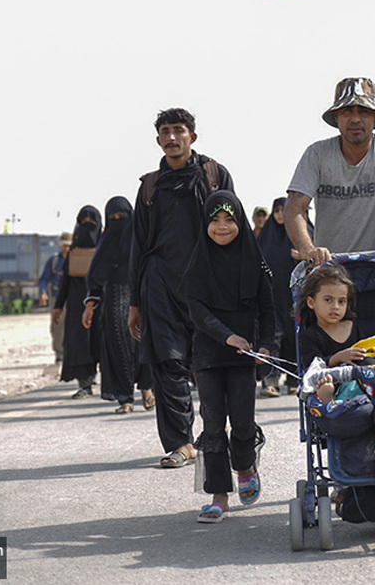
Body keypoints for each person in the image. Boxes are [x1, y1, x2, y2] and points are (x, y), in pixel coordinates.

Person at [129, 107, 234, 468]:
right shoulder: (149, 186)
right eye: (165, 131)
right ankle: (181, 443)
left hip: (209, 285)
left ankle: (216, 435)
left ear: (192, 136)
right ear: (158, 139)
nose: (172, 137)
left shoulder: (214, 176)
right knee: (167, 363)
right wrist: (134, 302)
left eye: (178, 130)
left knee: (213, 362)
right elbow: (138, 246)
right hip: (159, 284)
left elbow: (234, 234)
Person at [185, 190, 276, 523]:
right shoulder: (197, 263)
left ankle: (246, 464)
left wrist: (264, 346)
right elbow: (197, 311)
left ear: (239, 221)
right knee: (212, 426)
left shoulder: (255, 262)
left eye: (229, 220)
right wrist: (227, 336)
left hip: (244, 356)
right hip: (209, 355)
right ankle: (218, 495)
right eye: (215, 220)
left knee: (240, 423)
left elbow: (268, 310)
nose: (222, 227)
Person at [283, 77, 375, 267]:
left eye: (364, 111)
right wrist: (308, 250)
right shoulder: (317, 154)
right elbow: (294, 206)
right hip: (331, 271)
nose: (356, 119)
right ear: (336, 117)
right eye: (347, 111)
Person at [83, 196, 153, 413]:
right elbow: (95, 277)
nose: (117, 221)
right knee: (119, 350)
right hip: (113, 303)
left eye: (121, 217)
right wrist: (89, 306)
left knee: (145, 346)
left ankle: (147, 390)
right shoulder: (106, 243)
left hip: (142, 299)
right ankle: (126, 399)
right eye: (112, 218)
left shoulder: (142, 238)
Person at [53, 206, 102, 398]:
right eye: (83, 223)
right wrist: (58, 306)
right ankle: (85, 383)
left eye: (92, 223)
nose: (87, 227)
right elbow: (65, 281)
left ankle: (116, 387)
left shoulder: (105, 246)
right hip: (75, 304)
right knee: (80, 344)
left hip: (101, 302)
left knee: (101, 342)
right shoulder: (73, 251)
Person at [257, 196, 304, 396]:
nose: (279, 215)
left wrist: (302, 255)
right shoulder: (265, 237)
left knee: (294, 337)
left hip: (294, 296)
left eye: (283, 210)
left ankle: (294, 379)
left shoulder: (301, 235)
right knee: (272, 338)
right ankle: (271, 381)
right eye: (276, 210)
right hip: (271, 296)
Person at [298, 264, 362, 370]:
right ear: (311, 302)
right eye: (328, 300)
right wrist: (337, 358)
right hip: (328, 382)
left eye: (341, 301)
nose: (335, 307)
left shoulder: (354, 327)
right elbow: (312, 369)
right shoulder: (311, 335)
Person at [38, 232, 72, 363]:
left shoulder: (77, 259)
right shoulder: (54, 261)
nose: (66, 249)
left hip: (73, 298)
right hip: (56, 297)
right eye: (64, 246)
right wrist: (42, 292)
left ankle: (72, 353)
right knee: (57, 327)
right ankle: (59, 353)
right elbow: (44, 279)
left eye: (69, 246)